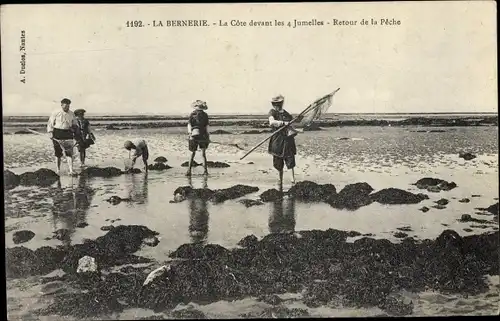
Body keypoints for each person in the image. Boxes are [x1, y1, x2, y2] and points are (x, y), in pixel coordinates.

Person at [268, 95, 300, 186]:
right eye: (275, 104)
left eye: (278, 103)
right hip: (277, 140)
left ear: (281, 103)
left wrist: (295, 122)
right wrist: (283, 123)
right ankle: (279, 181)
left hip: (288, 140)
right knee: (278, 161)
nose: (276, 105)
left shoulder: (286, 114)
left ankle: (293, 181)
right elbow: (272, 122)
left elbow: (292, 124)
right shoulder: (272, 112)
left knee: (290, 160)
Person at [47, 98, 78, 175]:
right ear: (61, 105)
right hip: (57, 132)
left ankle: (71, 170)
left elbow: (75, 124)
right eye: (65, 105)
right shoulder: (56, 112)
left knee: (69, 152)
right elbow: (50, 123)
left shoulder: (71, 113)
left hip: (68, 133)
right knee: (58, 152)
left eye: (68, 105)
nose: (67, 107)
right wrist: (50, 132)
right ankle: (58, 170)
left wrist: (75, 131)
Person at [186, 100, 210, 177]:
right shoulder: (205, 115)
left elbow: (189, 125)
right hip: (203, 135)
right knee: (203, 154)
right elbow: (207, 127)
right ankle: (205, 171)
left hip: (193, 134)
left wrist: (190, 134)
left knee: (192, 153)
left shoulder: (192, 114)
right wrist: (208, 136)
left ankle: (188, 171)